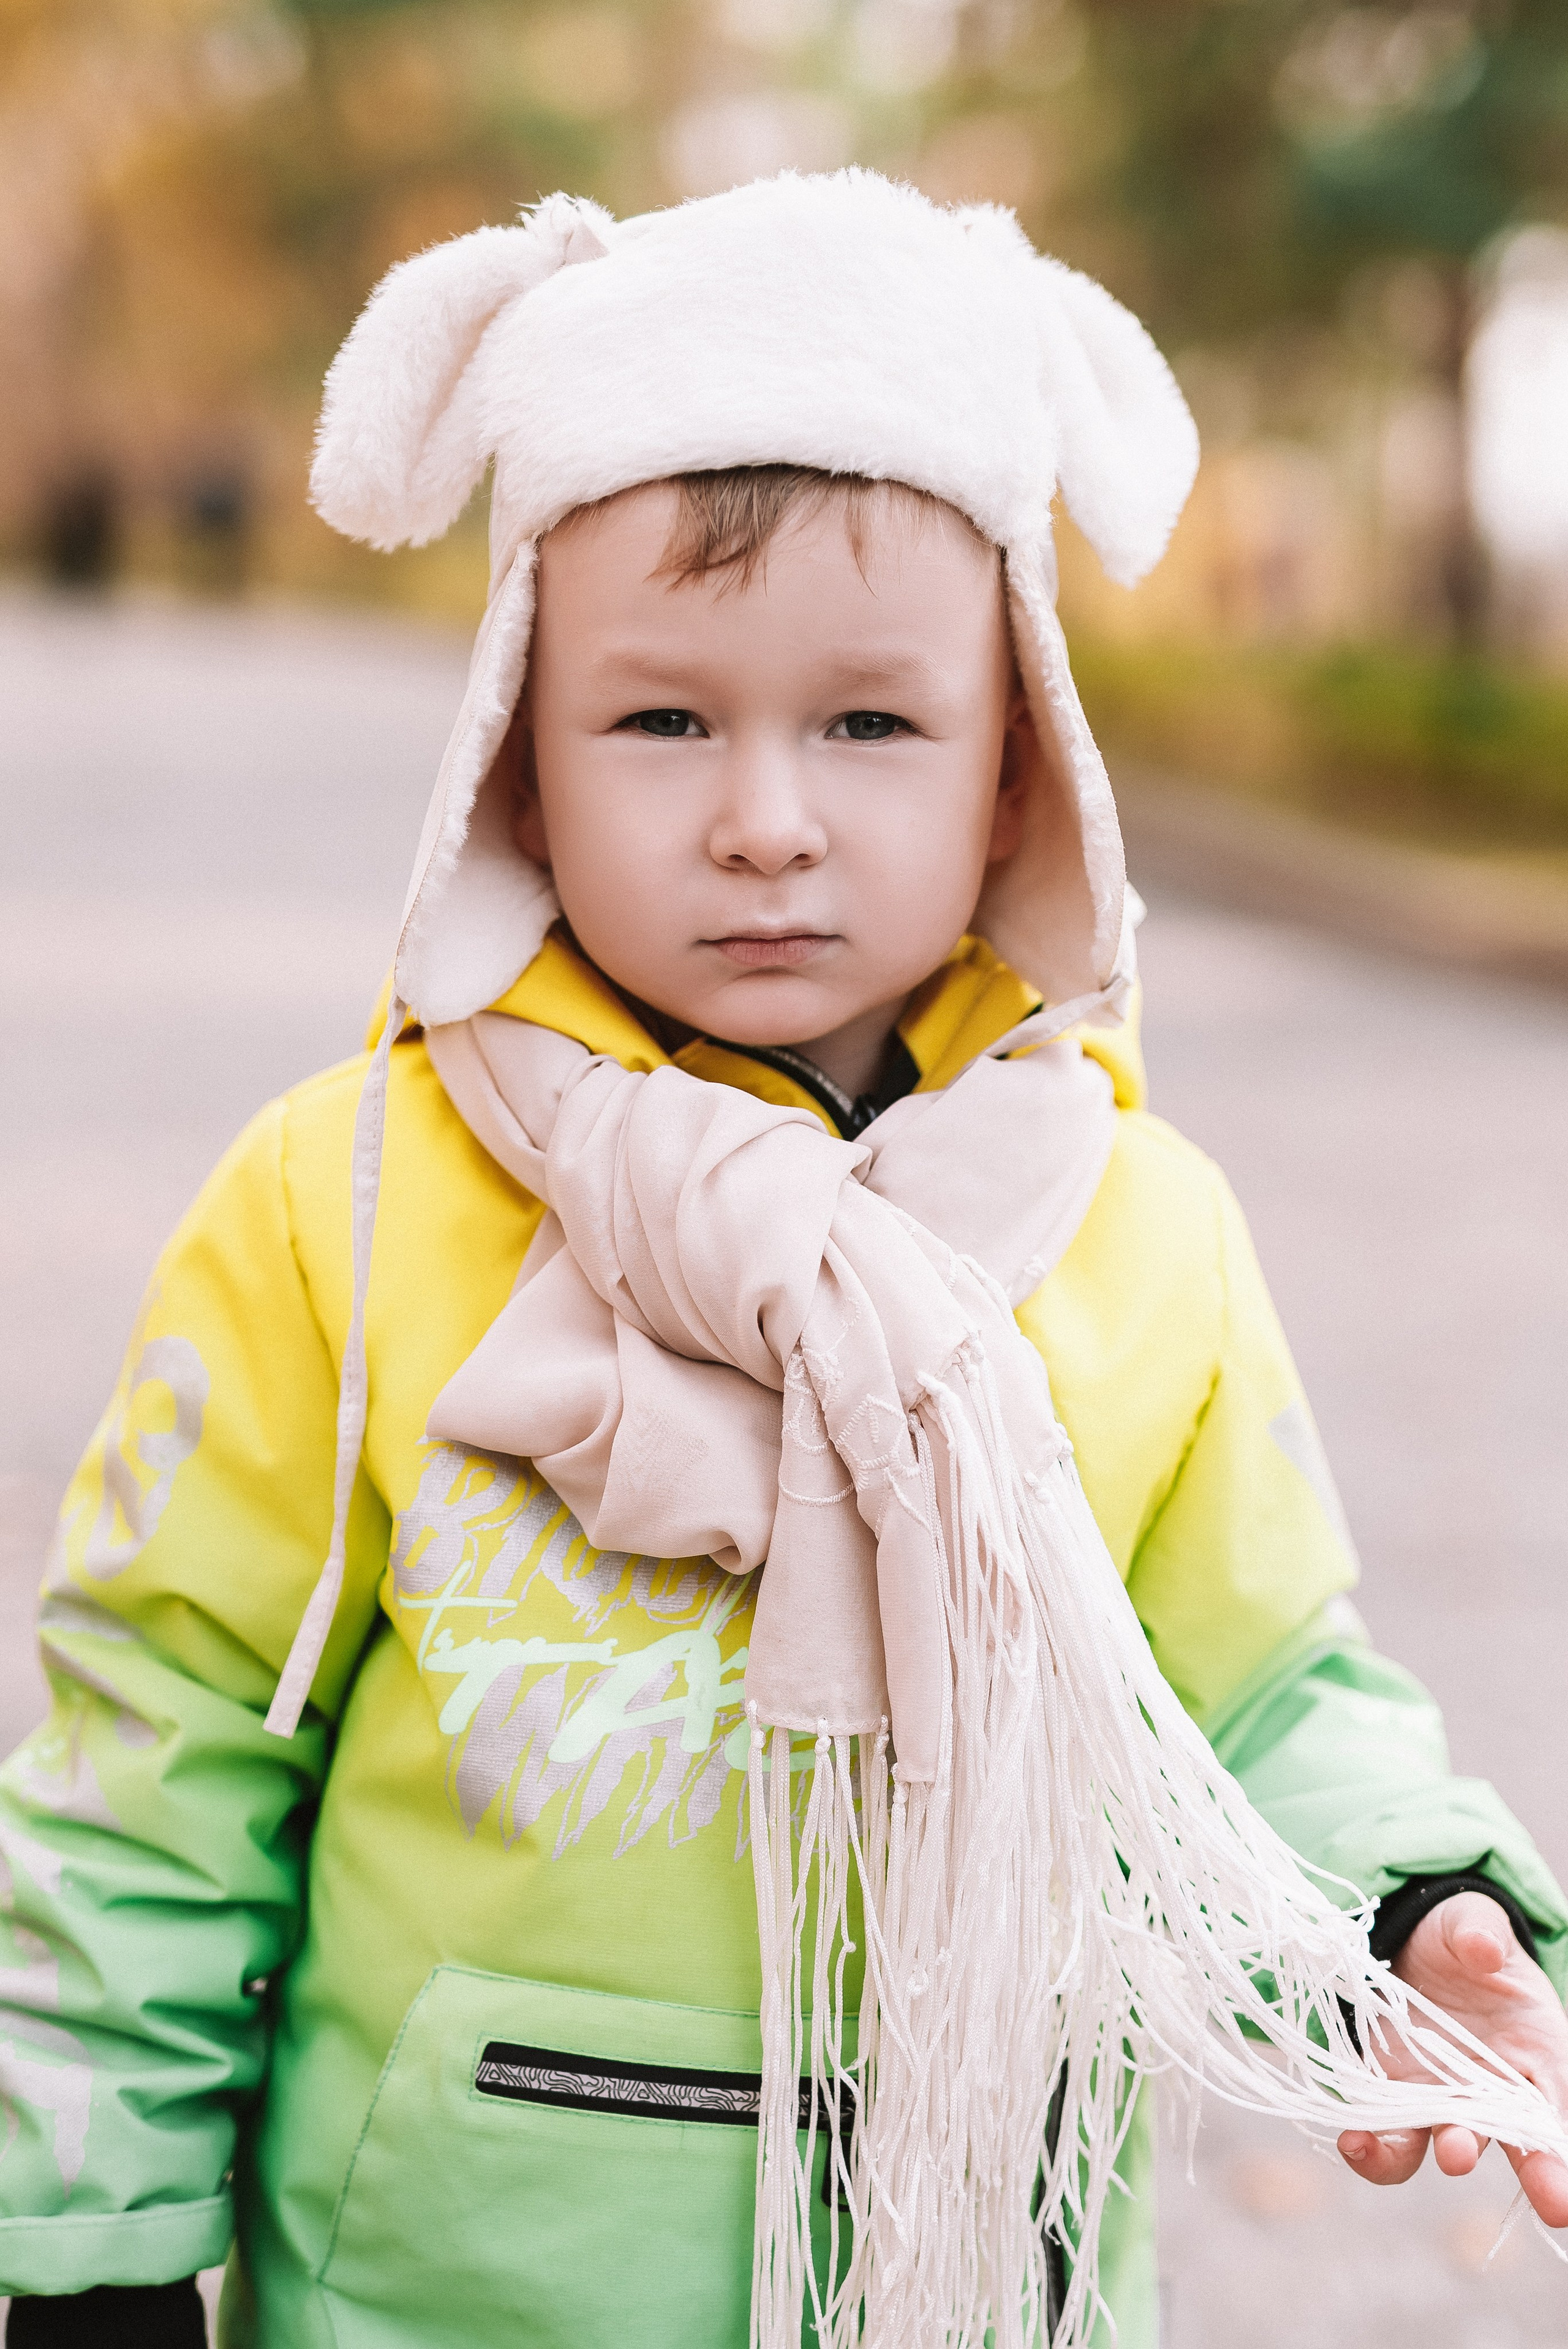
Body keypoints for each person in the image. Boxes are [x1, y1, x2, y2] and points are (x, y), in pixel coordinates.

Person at [1, 173, 1566, 2349]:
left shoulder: (1133, 1230)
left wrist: (1417, 1908)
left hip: (970, 2281)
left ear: (1015, 765)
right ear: (518, 765)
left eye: (868, 723)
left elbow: (1260, 1689)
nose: (765, 817)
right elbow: (156, 1744)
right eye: (661, 720)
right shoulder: (346, 1199)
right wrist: (81, 2238)